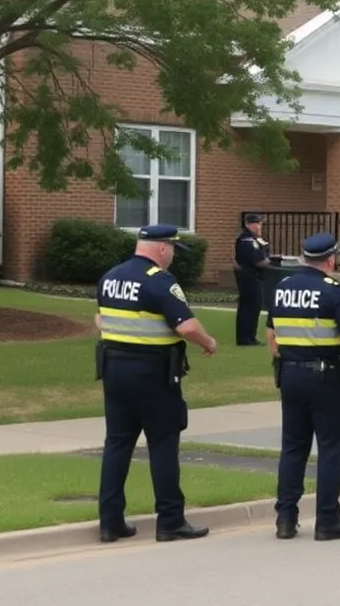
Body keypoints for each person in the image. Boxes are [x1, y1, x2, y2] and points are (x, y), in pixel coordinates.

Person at [94, 224, 218, 543]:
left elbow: (100, 319)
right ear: (162, 248)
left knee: (117, 443)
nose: (174, 255)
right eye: (173, 249)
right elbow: (187, 326)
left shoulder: (112, 276)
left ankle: (110, 522)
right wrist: (208, 342)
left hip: (113, 369)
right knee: (163, 443)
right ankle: (171, 520)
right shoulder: (160, 281)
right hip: (152, 373)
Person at [267, 232, 340, 541]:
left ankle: (285, 519)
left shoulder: (282, 288)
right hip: (326, 379)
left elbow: (271, 335)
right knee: (329, 449)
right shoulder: (334, 291)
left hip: (290, 375)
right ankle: (327, 520)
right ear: (330, 259)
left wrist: (285, 364)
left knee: (293, 448)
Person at [234, 213, 272, 346]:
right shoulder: (246, 240)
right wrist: (269, 261)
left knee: (254, 307)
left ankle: (251, 336)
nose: (259, 226)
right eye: (257, 223)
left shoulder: (256, 239)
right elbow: (257, 259)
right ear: (248, 224)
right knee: (248, 307)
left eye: (260, 223)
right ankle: (244, 338)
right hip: (248, 277)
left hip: (256, 277)